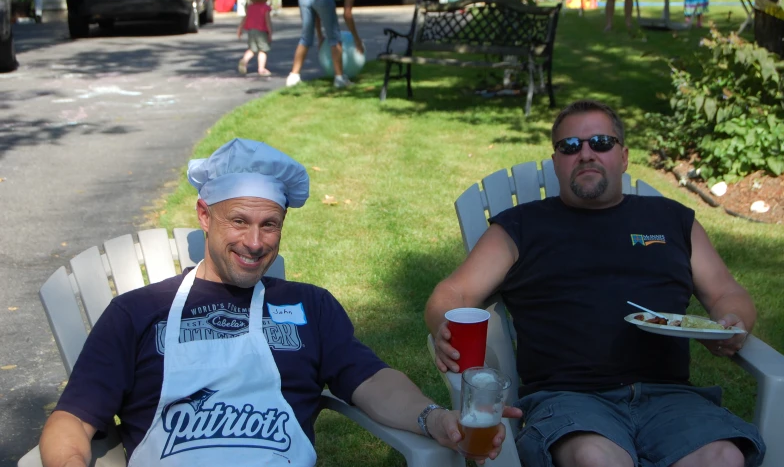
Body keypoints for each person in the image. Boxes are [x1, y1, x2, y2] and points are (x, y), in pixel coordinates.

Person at [39, 138, 520, 467]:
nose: (254, 242)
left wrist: (434, 418)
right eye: (239, 221)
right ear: (205, 216)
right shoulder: (138, 311)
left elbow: (371, 381)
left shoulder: (310, 306)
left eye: (269, 224)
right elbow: (73, 419)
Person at [425, 100, 766, 467]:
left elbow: (726, 293)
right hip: (570, 401)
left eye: (601, 142)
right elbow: (452, 293)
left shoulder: (672, 220)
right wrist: (443, 326)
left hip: (670, 398)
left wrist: (732, 321)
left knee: (724, 457)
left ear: (623, 156)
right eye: (570, 147)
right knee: (595, 459)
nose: (586, 154)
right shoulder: (521, 227)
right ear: (556, 161)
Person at [286, 0, 364, 89]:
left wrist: (320, 36)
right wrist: (357, 39)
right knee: (335, 37)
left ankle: (293, 77)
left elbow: (316, 14)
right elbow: (347, 15)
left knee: (305, 37)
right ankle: (339, 78)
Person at [237, 0, 273, 76]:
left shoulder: (250, 7)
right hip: (261, 32)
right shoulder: (265, 8)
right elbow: (267, 21)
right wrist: (270, 32)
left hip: (251, 31)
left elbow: (245, 18)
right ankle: (261, 69)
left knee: (252, 49)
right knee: (262, 50)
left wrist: (240, 29)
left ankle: (244, 60)